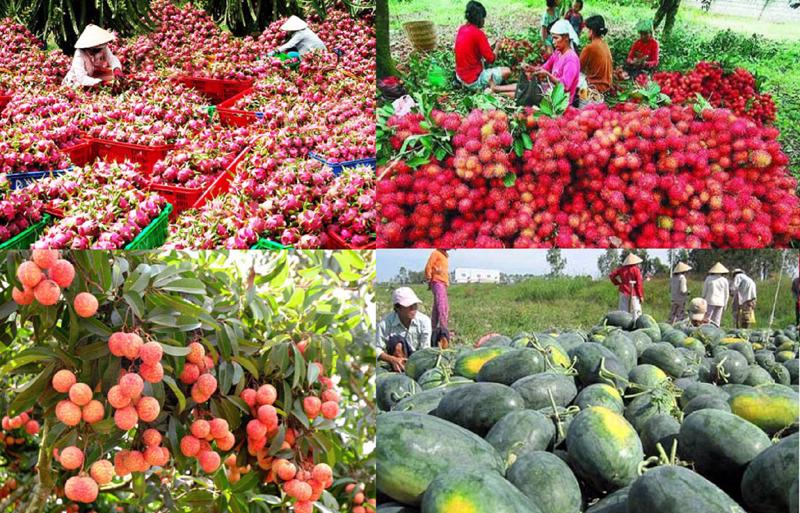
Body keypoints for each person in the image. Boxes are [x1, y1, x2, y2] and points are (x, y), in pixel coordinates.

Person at [491, 20, 580, 104]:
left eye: (556, 38)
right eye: (552, 38)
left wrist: (548, 75)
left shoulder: (571, 59)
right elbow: (545, 67)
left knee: (526, 93)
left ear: (566, 38)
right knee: (526, 85)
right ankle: (496, 88)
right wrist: (532, 68)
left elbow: (565, 87)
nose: (553, 42)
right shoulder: (558, 53)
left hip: (559, 101)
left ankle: (496, 93)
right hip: (550, 90)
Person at [454, 1, 512, 90]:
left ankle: (459, 83)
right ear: (480, 19)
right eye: (483, 18)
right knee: (507, 71)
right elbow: (491, 59)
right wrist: (497, 47)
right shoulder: (478, 34)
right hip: (473, 81)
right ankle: (489, 87)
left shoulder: (462, 29)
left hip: (460, 76)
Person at [376, 287, 432, 372]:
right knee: (396, 341)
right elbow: (376, 348)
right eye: (409, 305)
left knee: (442, 332)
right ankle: (401, 370)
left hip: (419, 359)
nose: (414, 308)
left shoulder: (424, 321)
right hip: (398, 360)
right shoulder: (385, 323)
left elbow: (425, 349)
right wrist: (392, 359)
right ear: (398, 308)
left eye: (415, 304)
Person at [580, 15, 613, 93]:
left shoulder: (590, 47)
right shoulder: (605, 44)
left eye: (588, 30)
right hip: (606, 86)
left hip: (595, 87)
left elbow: (578, 67)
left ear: (591, 31)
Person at [425, 249, 450, 340]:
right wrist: (429, 278)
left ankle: (433, 330)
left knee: (437, 307)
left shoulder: (445, 255)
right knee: (442, 306)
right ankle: (444, 331)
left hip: (442, 283)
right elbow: (428, 266)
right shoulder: (436, 253)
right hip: (437, 281)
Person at [610, 253, 644, 319]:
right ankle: (636, 326)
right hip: (634, 293)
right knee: (636, 311)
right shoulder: (636, 270)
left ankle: (624, 326)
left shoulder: (621, 269)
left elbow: (611, 275)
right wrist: (640, 296)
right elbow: (639, 284)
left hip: (623, 291)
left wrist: (617, 283)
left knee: (623, 311)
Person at [702, 262, 730, 327]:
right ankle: (716, 332)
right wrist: (725, 304)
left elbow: (704, 290)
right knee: (717, 320)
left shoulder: (709, 278)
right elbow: (727, 294)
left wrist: (703, 298)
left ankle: (706, 331)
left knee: (707, 318)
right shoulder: (724, 280)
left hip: (710, 301)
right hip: (720, 302)